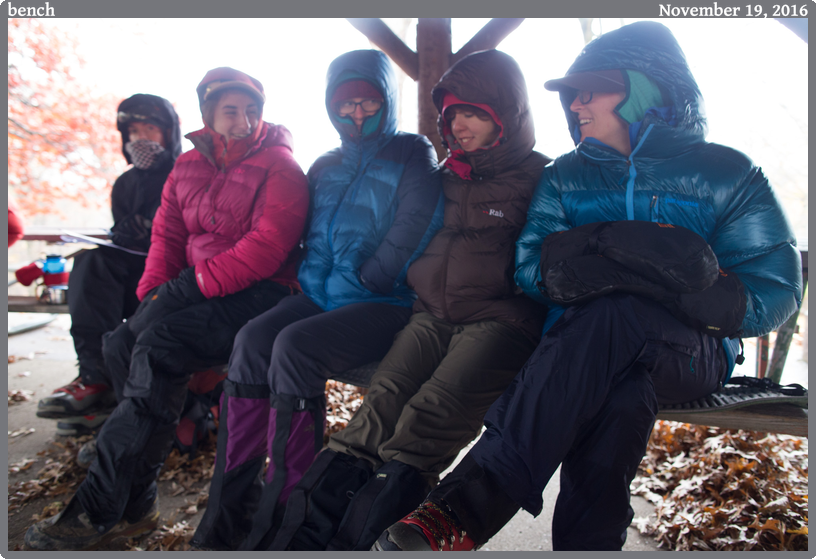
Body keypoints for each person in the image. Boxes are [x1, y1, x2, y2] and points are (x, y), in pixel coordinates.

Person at [375, 21, 803, 551]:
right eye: (572, 95)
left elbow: (775, 286)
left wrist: (682, 288)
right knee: (620, 395)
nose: (575, 105)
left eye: (590, 92)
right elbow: (529, 269)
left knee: (615, 315)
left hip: (691, 355)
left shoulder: (726, 173)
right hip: (579, 354)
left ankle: (461, 509)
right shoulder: (564, 177)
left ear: (643, 90)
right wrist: (606, 245)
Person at [265, 49, 552, 552]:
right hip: (431, 314)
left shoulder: (541, 177)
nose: (459, 126)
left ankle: (363, 542)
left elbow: (549, 261)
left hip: (499, 321)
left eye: (473, 114)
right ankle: (298, 541)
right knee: (376, 409)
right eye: (452, 116)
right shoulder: (445, 173)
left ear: (506, 115)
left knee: (428, 416)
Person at [24, 67, 310, 551]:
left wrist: (190, 286)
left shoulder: (279, 164)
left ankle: (99, 506)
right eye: (231, 110)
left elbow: (268, 247)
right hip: (196, 287)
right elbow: (167, 235)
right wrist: (154, 292)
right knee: (121, 344)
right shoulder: (188, 166)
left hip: (262, 291)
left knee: (158, 347)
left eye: (251, 110)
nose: (243, 120)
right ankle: (136, 503)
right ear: (208, 113)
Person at [190, 49, 442, 551]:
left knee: (295, 348)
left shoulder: (412, 152)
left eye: (368, 102)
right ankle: (228, 514)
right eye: (345, 104)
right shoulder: (325, 164)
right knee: (251, 342)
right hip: (318, 295)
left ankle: (285, 511)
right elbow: (297, 229)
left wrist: (372, 276)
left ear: (387, 101)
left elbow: (418, 222)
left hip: (383, 303)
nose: (357, 113)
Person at [34, 94, 182, 437]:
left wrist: (153, 228)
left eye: (150, 129)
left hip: (170, 276)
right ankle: (94, 376)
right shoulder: (125, 184)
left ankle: (120, 385)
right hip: (129, 276)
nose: (141, 138)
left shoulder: (184, 172)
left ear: (167, 132)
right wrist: (127, 232)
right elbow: (120, 236)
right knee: (90, 262)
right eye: (134, 131)